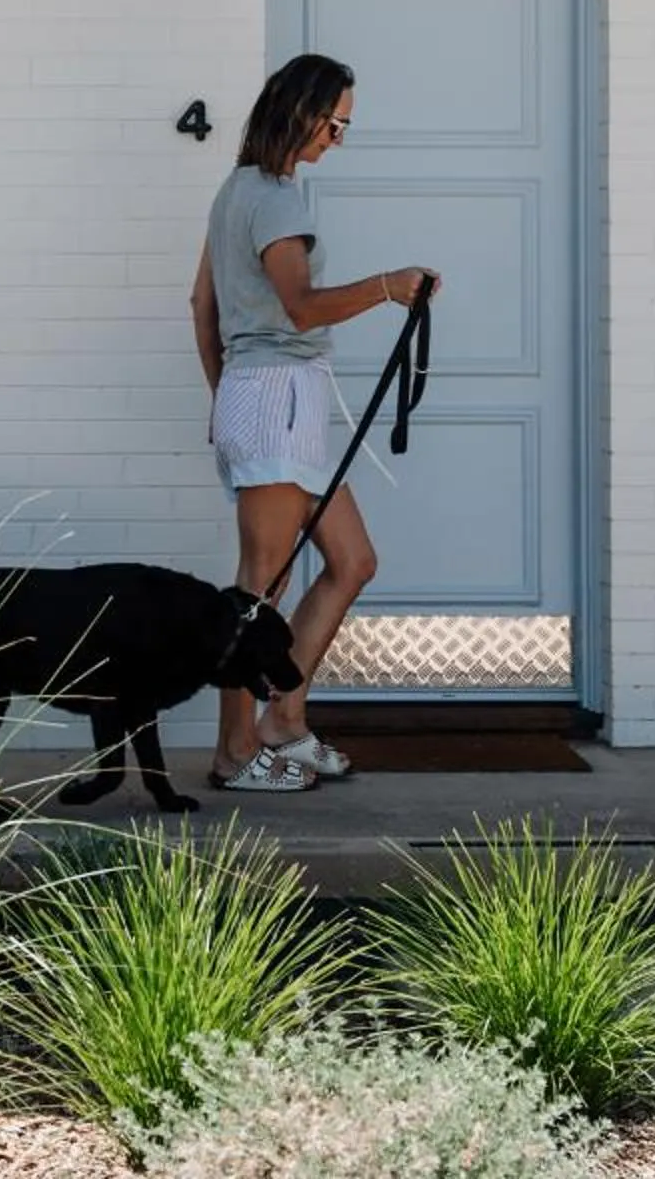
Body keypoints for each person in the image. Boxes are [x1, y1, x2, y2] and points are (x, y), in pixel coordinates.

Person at [188, 53, 437, 793]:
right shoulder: (274, 197)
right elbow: (300, 306)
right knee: (258, 589)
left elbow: (201, 306)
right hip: (276, 398)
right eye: (334, 122)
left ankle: (283, 722)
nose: (338, 137)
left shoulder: (237, 192)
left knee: (351, 560)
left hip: (264, 394)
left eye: (345, 126)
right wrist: (390, 288)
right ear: (300, 111)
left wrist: (222, 393)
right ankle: (234, 755)